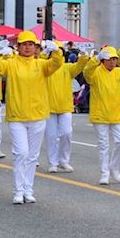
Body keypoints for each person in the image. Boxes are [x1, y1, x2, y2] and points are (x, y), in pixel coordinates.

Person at [0, 30, 65, 204]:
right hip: (17, 116)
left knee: (32, 156)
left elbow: (56, 64)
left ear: (35, 47)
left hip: (38, 115)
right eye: (24, 45)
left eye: (31, 44)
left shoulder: (41, 65)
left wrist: (57, 51)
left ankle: (28, 190)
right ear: (18, 47)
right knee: (21, 153)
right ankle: (18, 191)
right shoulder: (11, 64)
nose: (28, 48)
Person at [78, 46, 120, 185]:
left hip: (117, 114)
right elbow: (87, 72)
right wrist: (95, 58)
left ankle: (114, 166)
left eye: (114, 59)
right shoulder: (96, 72)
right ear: (103, 60)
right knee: (103, 145)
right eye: (109, 59)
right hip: (100, 114)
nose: (112, 62)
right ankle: (104, 173)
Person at [43, 38, 76, 174]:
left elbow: (81, 66)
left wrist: (85, 56)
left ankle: (64, 160)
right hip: (49, 107)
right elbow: (37, 62)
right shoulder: (45, 68)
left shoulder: (68, 68)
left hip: (65, 106)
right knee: (51, 136)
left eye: (60, 51)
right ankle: (53, 162)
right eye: (55, 52)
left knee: (66, 133)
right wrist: (45, 53)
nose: (58, 54)